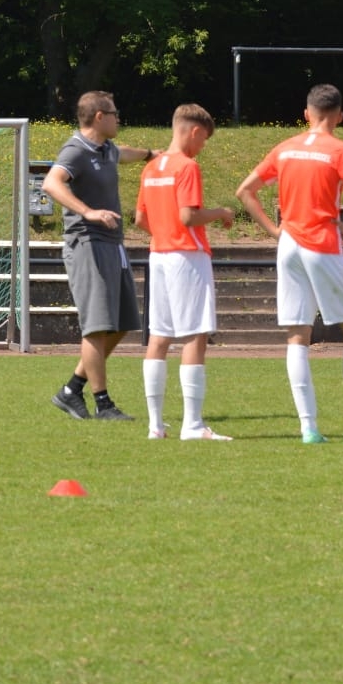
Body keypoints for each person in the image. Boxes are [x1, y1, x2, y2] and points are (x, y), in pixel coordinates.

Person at [235, 84, 343, 444]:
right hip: (322, 242)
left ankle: (308, 428)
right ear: (339, 116)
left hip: (289, 245)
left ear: (306, 113)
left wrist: (274, 230)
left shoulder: (285, 148)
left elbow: (245, 190)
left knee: (298, 335)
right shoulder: (340, 150)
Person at [45, 91, 159, 422]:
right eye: (114, 113)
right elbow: (51, 183)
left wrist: (151, 154)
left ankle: (71, 390)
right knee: (96, 326)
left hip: (113, 245)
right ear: (99, 117)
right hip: (88, 244)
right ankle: (102, 403)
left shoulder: (107, 148)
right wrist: (89, 212)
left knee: (121, 323)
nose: (118, 118)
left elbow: (123, 153)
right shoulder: (75, 150)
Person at [134, 104, 236, 441]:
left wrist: (164, 233)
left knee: (159, 336)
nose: (202, 146)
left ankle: (155, 425)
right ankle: (192, 425)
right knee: (195, 335)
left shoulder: (151, 167)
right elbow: (188, 216)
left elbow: (140, 219)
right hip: (188, 256)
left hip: (159, 254)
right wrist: (221, 212)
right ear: (194, 131)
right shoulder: (187, 166)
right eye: (203, 139)